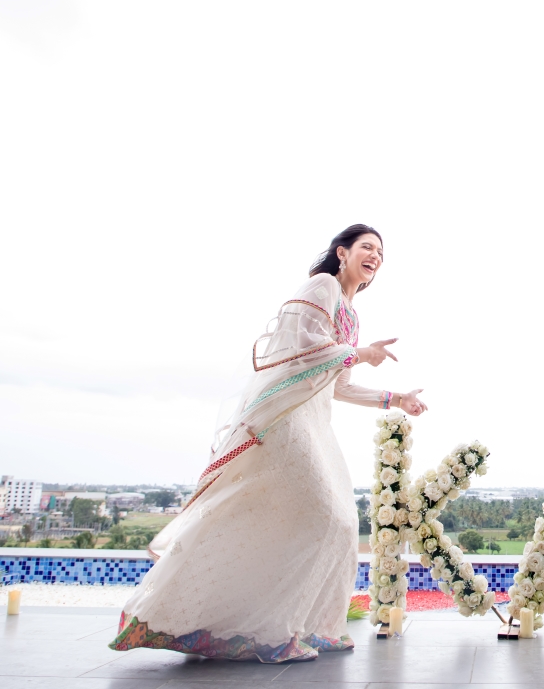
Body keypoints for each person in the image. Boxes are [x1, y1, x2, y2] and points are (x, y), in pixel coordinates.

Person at [110, 224, 428, 663]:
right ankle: (274, 632)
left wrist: (396, 398)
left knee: (332, 525)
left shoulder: (352, 315)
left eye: (380, 252)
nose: (375, 256)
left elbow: (338, 385)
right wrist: (361, 353)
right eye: (366, 247)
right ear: (342, 252)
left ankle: (307, 626)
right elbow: (302, 351)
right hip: (283, 419)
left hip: (316, 422)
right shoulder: (322, 287)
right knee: (327, 517)